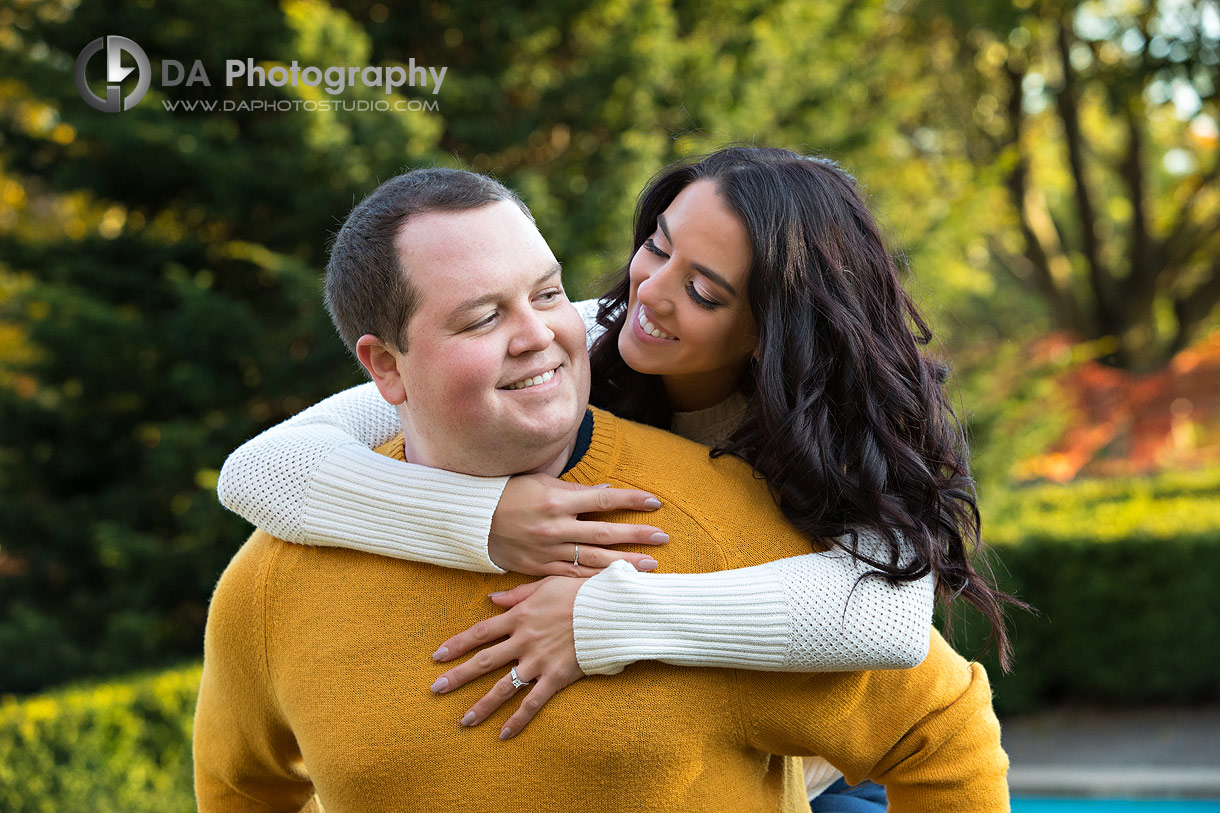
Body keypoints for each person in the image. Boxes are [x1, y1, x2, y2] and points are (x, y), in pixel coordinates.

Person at [216, 147, 1021, 804]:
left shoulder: (823, 439)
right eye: (659, 246)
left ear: (769, 336)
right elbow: (261, 469)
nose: (649, 292)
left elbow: (884, 625)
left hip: (826, 775)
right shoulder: (591, 332)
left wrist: (604, 615)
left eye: (703, 290)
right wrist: (479, 517)